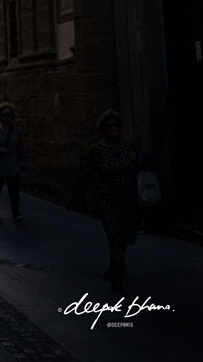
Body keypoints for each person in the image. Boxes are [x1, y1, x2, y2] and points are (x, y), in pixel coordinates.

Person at [68, 110, 139, 295]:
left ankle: (112, 269)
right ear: (103, 129)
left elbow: (136, 168)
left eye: (117, 126)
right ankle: (121, 281)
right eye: (110, 126)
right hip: (108, 200)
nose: (114, 129)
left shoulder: (128, 146)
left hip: (128, 200)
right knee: (116, 240)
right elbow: (86, 173)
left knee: (122, 241)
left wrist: (135, 161)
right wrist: (75, 195)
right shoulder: (97, 150)